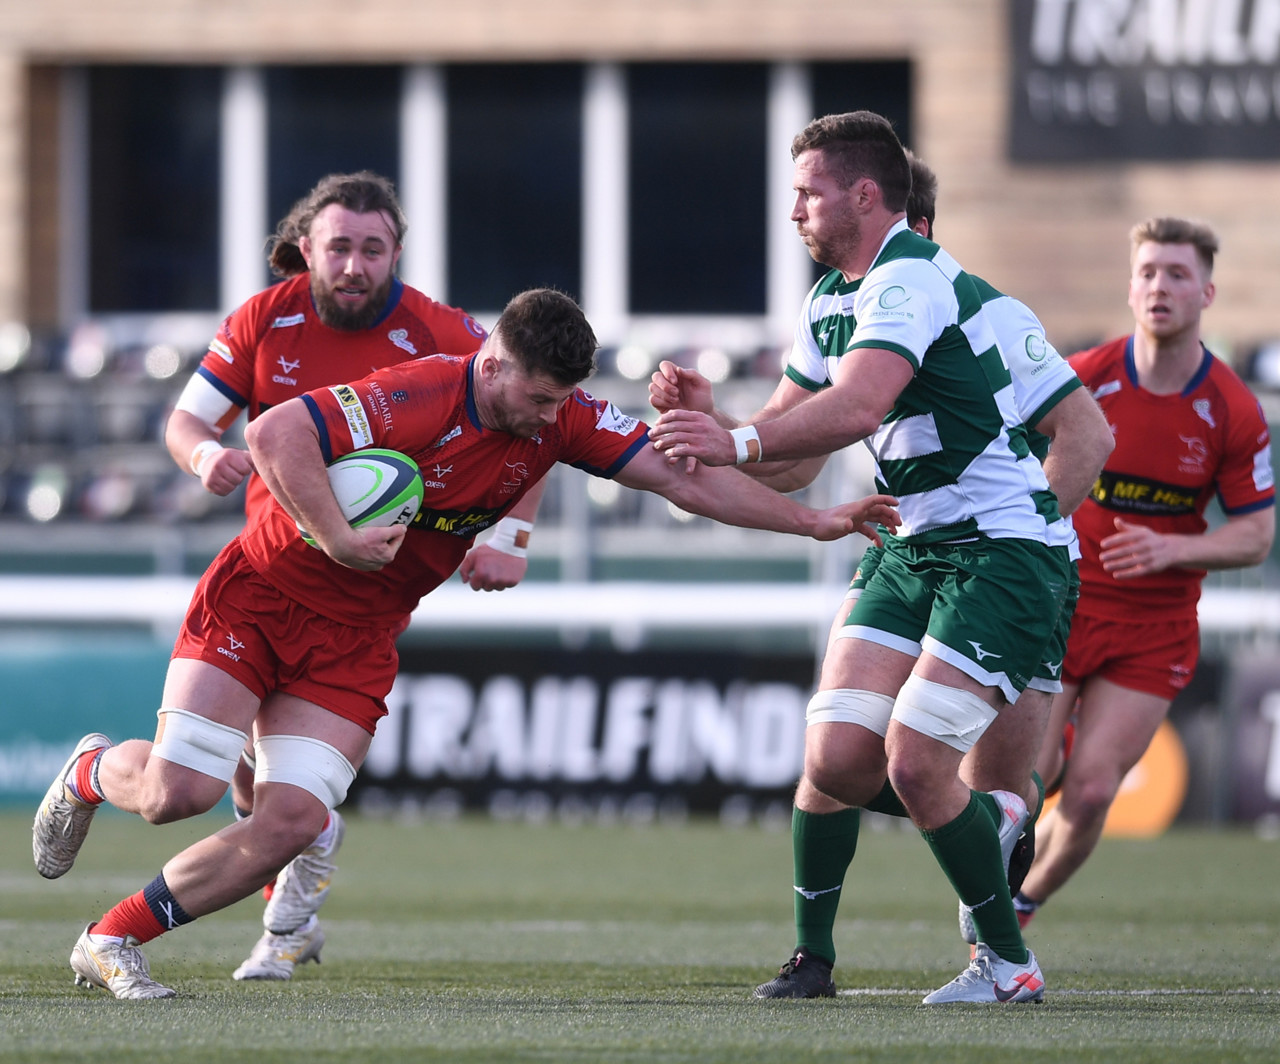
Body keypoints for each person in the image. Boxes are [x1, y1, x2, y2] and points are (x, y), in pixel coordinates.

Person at [32, 286, 899, 1000]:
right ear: (493, 364)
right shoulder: (419, 393)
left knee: (293, 818)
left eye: (563, 400)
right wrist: (334, 533)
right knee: (177, 793)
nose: (551, 416)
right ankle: (91, 771)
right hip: (261, 599)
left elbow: (683, 480)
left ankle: (112, 938)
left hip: (359, 634)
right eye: (537, 396)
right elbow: (272, 433)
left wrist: (814, 520)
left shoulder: (562, 419)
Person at [649, 149, 1114, 996]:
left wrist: (1040, 534)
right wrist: (715, 423)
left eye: (805, 193)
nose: (792, 211)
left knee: (926, 764)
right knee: (835, 760)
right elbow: (793, 459)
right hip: (910, 543)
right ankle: (817, 955)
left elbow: (1080, 433)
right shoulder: (830, 301)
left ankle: (1005, 958)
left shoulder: (938, 289)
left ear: (876, 203)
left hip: (1003, 552)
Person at [159, 170, 542, 981]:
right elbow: (188, 418)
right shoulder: (268, 316)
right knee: (242, 773)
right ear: (309, 248)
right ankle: (297, 893)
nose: (355, 266)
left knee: (277, 776)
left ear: (396, 252)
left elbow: (532, 417)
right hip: (264, 567)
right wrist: (204, 455)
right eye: (340, 248)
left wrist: (511, 530)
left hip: (364, 582)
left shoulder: (443, 331)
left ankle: (288, 911)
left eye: (374, 249)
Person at [1016, 218, 1275, 926]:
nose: (1161, 286)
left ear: (1208, 292)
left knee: (1095, 791)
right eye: (1149, 272)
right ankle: (993, 902)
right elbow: (1009, 458)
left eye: (1178, 274)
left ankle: (1018, 907)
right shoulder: (1083, 378)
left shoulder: (1232, 408)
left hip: (1154, 628)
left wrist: (1172, 550)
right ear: (1132, 289)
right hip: (1062, 607)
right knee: (1024, 786)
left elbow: (1256, 534)